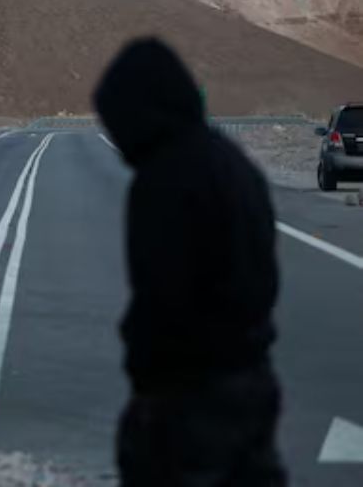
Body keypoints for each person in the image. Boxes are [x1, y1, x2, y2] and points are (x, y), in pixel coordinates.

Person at [93, 37, 287, 487]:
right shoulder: (232, 162)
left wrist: (145, 366)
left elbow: (162, 295)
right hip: (252, 375)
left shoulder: (167, 179)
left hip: (190, 392)